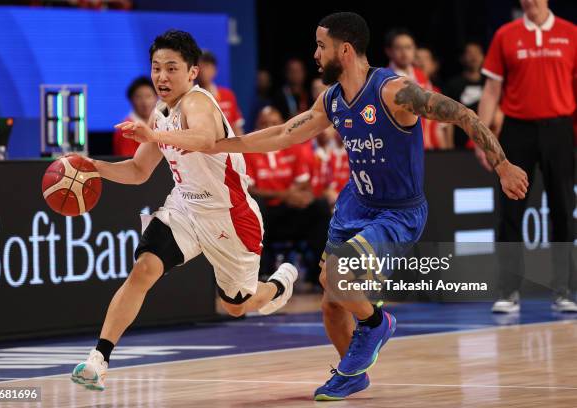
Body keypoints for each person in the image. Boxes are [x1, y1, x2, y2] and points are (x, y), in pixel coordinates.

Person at [209, 12, 528, 401]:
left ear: (344, 50)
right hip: (354, 204)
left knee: (336, 276)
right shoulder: (332, 99)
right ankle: (352, 372)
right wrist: (224, 144)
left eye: (320, 46)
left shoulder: (394, 92)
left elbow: (462, 114)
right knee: (331, 305)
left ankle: (377, 322)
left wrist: (503, 164)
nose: (314, 54)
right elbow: (283, 133)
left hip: (398, 212)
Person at [69, 30, 298, 391]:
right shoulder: (161, 113)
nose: (162, 77)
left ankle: (276, 285)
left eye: (171, 68)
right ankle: (98, 359)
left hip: (231, 217)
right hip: (186, 208)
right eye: (156, 68)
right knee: (143, 269)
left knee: (235, 306)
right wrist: (94, 166)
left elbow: (205, 139)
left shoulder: (197, 102)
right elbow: (139, 171)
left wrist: (154, 136)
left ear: (192, 72)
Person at [478, 0, 577, 313]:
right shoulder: (506, 34)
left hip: (560, 129)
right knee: (510, 210)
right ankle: (508, 291)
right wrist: (485, 141)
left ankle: (563, 290)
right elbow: (492, 91)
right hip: (517, 130)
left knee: (563, 208)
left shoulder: (571, 33)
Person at [245, 106, 331, 285]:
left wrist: (297, 196)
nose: (269, 128)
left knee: (320, 206)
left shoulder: (292, 146)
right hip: (266, 213)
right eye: (264, 124)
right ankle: (261, 274)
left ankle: (321, 273)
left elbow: (303, 181)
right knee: (256, 205)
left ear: (282, 125)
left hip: (290, 211)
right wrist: (285, 194)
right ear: (256, 128)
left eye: (274, 124)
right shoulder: (248, 152)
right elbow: (250, 189)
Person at [385, 28, 444, 149]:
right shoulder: (384, 78)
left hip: (429, 148)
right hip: (398, 147)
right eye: (398, 48)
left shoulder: (422, 76)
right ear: (389, 51)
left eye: (408, 47)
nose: (404, 53)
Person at [445, 42, 487, 149]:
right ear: (462, 58)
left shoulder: (489, 84)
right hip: (461, 146)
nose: (474, 57)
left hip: (487, 145)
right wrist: (449, 147)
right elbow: (448, 118)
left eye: (477, 53)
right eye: (470, 53)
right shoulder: (453, 85)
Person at [197, 50, 245, 135]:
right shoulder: (189, 98)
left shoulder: (228, 95)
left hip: (229, 147)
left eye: (207, 66)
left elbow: (236, 127)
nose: (203, 71)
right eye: (200, 66)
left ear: (214, 70)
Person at [112, 76, 157, 157]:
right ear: (131, 100)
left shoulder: (163, 125)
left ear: (156, 98)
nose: (145, 102)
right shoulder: (125, 129)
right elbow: (129, 162)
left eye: (148, 96)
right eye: (139, 97)